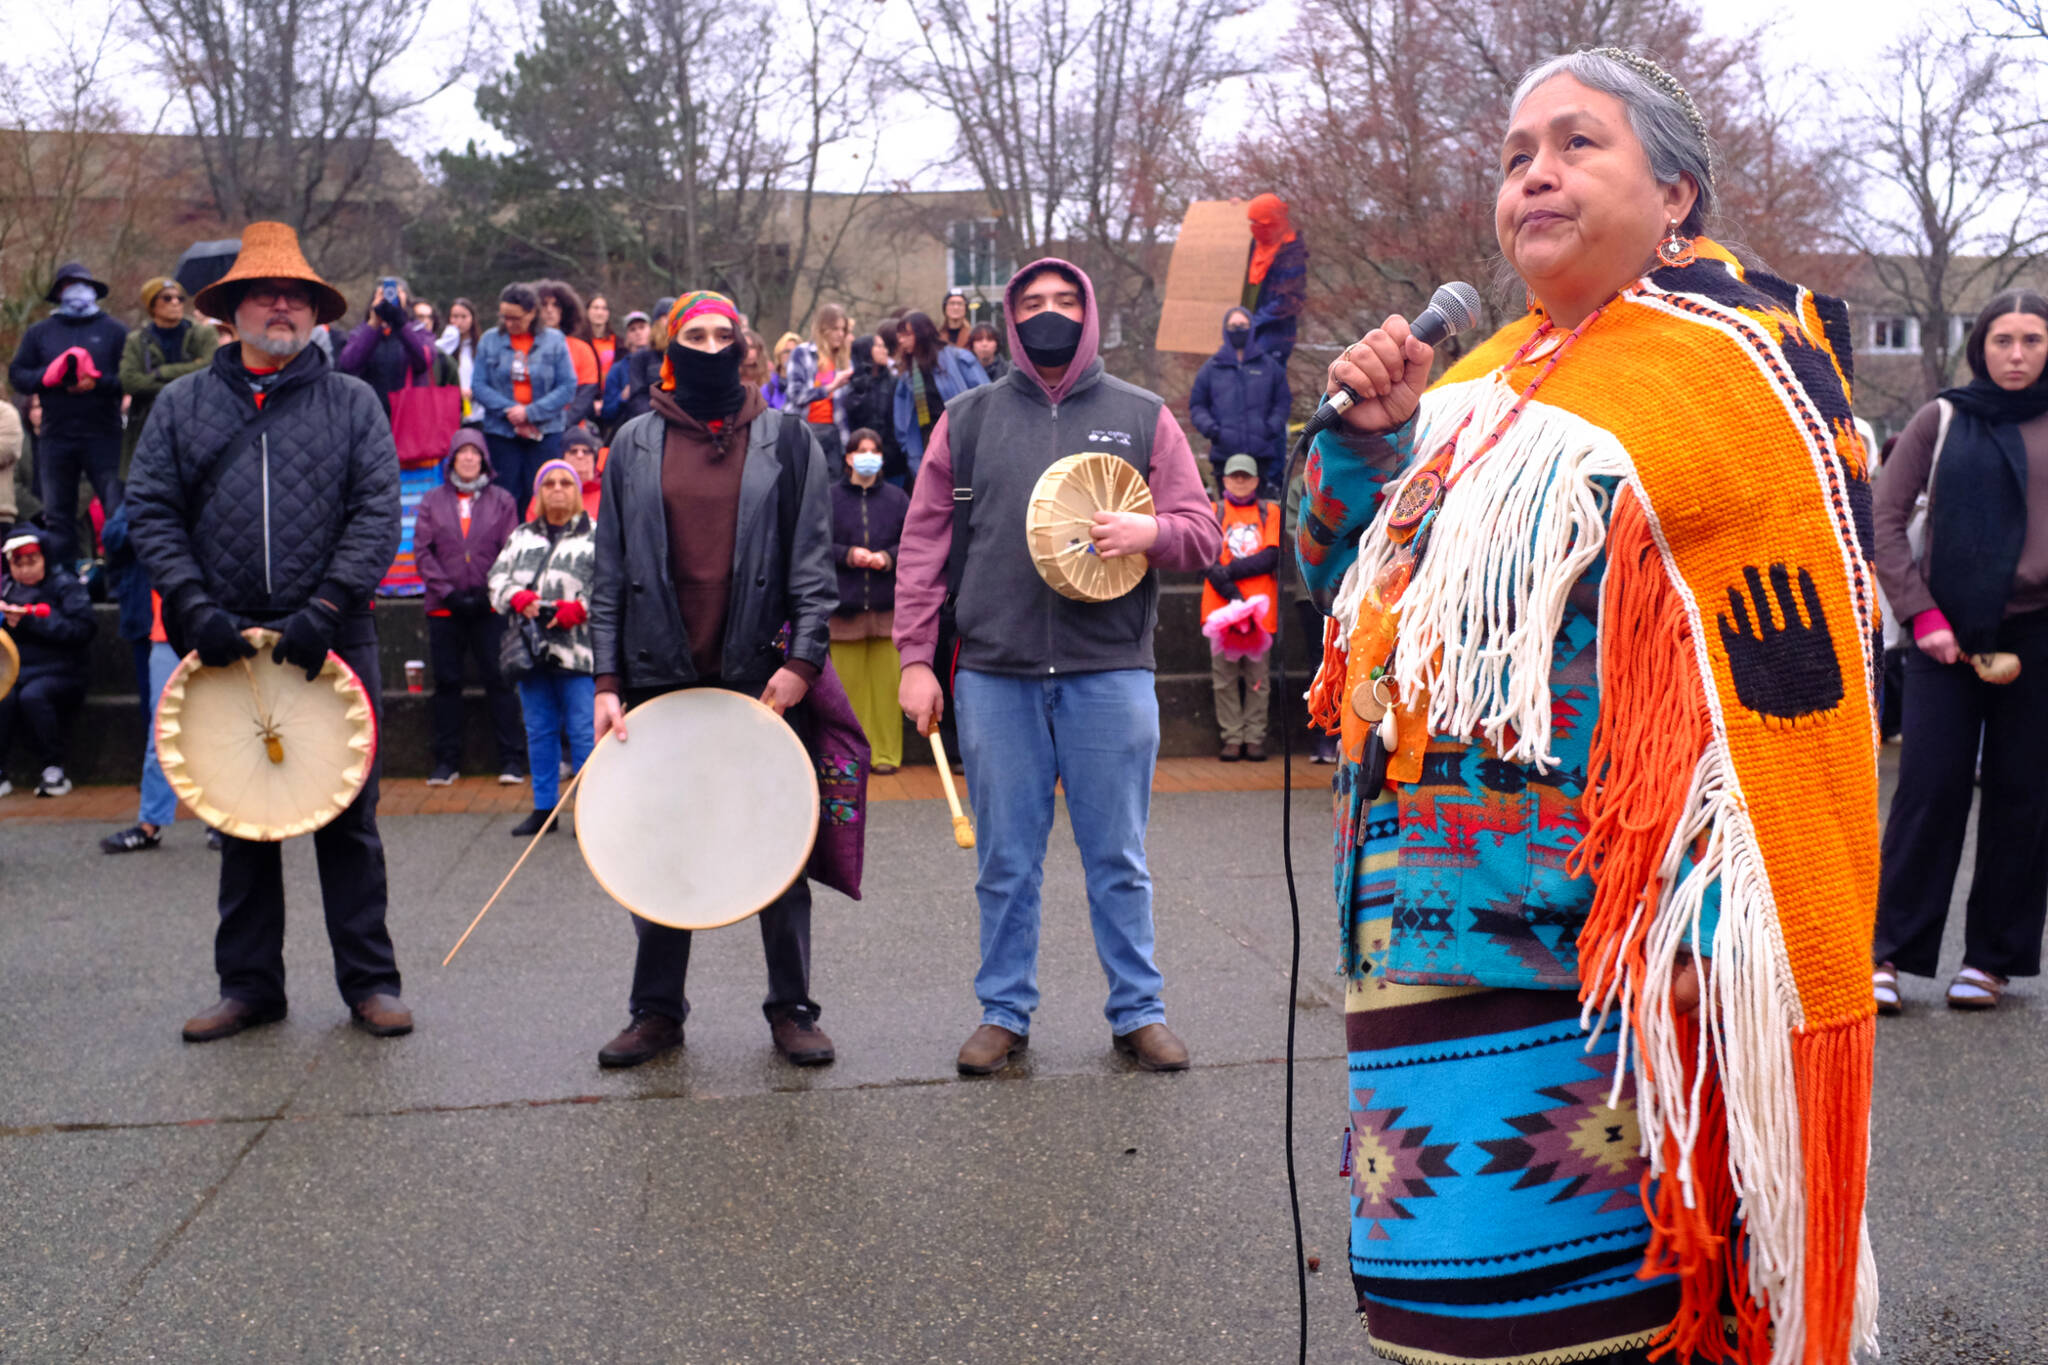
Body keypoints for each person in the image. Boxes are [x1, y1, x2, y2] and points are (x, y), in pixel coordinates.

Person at [1295, 49, 1880, 1364]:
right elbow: (1338, 591)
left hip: (1595, 953)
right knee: (1432, 1316)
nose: (1535, 175)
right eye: (1515, 157)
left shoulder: (1737, 377)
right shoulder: (1482, 388)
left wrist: (1723, 923)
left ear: (1675, 193)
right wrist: (1363, 440)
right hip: (1409, 931)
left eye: (1576, 145)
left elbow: (1777, 680)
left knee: (1597, 1322)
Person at [894, 258, 1221, 1077]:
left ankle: (1138, 1010)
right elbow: (924, 547)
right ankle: (1004, 1011)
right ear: (1008, 316)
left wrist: (1149, 534)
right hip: (994, 673)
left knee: (1119, 854)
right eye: (1033, 303)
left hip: (1109, 668)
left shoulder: (1143, 416)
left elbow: (1202, 532)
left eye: (1065, 301)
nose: (1049, 315)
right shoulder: (966, 420)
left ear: (1091, 312)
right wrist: (915, 659)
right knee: (1005, 857)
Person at [125, 221, 411, 1044]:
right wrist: (189, 603)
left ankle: (371, 982)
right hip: (221, 637)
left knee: (349, 818)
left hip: (332, 636)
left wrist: (327, 605)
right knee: (239, 820)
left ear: (316, 311)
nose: (280, 306)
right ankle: (249, 986)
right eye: (264, 293)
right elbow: (152, 510)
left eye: (295, 295)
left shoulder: (353, 402)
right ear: (233, 310)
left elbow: (375, 512)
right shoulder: (181, 404)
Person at [588, 289, 840, 1071]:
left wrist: (802, 661)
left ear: (743, 345)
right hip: (661, 674)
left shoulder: (789, 439)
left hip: (761, 675)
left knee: (780, 840)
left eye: (720, 334)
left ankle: (792, 1005)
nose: (707, 345)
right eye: (692, 334)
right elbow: (608, 572)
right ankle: (656, 1009)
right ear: (670, 344)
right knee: (663, 842)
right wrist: (605, 677)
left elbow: (813, 565)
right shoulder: (630, 441)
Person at [1872, 289, 2048, 1014]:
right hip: (1944, 633)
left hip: (2039, 635)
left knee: (2023, 797)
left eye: (2032, 340)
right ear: (1980, 346)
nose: (2017, 354)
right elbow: (1882, 517)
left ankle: (1991, 962)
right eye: (2003, 339)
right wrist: (1922, 615)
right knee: (1930, 789)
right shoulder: (1941, 418)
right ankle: (1887, 954)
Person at [489, 458, 597, 837]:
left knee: (585, 732)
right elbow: (496, 579)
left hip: (579, 653)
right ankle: (544, 809)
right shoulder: (520, 536)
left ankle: (589, 811)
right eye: (548, 483)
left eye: (565, 483)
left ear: (577, 491)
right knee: (539, 730)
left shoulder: (596, 535)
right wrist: (517, 596)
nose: (556, 489)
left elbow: (614, 588)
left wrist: (580, 608)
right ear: (538, 493)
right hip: (531, 653)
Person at [413, 428, 526, 788]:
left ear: (484, 459)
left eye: (474, 453)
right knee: (447, 683)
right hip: (445, 609)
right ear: (452, 459)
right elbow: (422, 552)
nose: (468, 458)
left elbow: (512, 549)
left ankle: (511, 759)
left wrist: (486, 591)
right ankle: (446, 760)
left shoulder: (503, 500)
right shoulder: (432, 500)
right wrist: (448, 593)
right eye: (462, 452)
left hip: (488, 607)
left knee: (499, 681)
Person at [7, 261, 129, 564]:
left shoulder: (114, 330)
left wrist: (98, 382)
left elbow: (132, 378)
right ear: (59, 291)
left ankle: (117, 588)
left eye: (83, 284)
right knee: (58, 515)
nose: (77, 290)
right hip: (56, 436)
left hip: (105, 434)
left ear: (93, 290)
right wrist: (50, 378)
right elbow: (18, 374)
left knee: (117, 511)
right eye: (70, 284)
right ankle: (65, 587)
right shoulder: (40, 333)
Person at [830, 428, 910, 773]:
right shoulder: (829, 497)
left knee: (888, 692)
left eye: (874, 450)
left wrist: (887, 558)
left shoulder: (896, 498)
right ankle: (852, 756)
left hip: (886, 610)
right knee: (848, 693)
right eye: (860, 450)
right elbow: (816, 543)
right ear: (848, 458)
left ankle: (886, 756)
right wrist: (849, 554)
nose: (868, 455)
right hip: (844, 613)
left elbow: (912, 541)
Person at [0, 528, 95, 797]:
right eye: (18, 565)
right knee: (2, 697)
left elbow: (82, 630)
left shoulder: (66, 586)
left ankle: (53, 768)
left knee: (33, 696)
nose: (26, 571)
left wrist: (31, 620)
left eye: (32, 563)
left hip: (64, 669)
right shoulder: (6, 588)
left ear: (45, 559)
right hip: (17, 670)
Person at [1202, 455, 1280, 761]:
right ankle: (1232, 737)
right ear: (1224, 480)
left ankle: (1254, 736)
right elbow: (1205, 558)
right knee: (1224, 678)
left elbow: (1270, 556)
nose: (1240, 481)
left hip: (1260, 612)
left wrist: (1230, 571)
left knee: (1258, 679)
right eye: (1234, 476)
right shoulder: (1212, 512)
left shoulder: (1269, 511)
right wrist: (1230, 591)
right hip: (1220, 611)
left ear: (1256, 481)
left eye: (1246, 477)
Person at [473, 283, 579, 505]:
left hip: (545, 431)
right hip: (501, 433)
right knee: (505, 495)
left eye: (515, 318)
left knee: (543, 492)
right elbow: (479, 385)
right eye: (504, 317)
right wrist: (509, 411)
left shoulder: (554, 341)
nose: (508, 323)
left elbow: (567, 385)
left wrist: (530, 412)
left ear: (532, 313)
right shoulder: (489, 340)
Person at [119, 278, 219, 482]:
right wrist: (188, 377)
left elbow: (211, 367)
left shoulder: (203, 333)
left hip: (197, 419)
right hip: (148, 422)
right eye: (167, 298)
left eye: (180, 298)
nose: (176, 303)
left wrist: (161, 372)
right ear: (152, 305)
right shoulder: (138, 340)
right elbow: (129, 381)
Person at [1188, 305, 1289, 493]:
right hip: (1224, 454)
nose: (1238, 330)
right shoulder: (1211, 368)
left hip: (1261, 455)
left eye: (1242, 325)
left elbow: (1282, 402)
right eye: (1233, 326)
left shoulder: (1269, 367)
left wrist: (1269, 428)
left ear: (1251, 328)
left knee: (1262, 513)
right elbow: (1197, 405)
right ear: (1225, 329)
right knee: (1227, 515)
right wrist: (1212, 430)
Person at [892, 309, 989, 483]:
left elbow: (987, 399)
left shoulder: (959, 359)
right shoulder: (908, 375)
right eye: (899, 335)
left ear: (922, 333)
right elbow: (904, 424)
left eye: (906, 335)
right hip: (927, 446)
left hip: (961, 441)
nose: (901, 340)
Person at [336, 275, 434, 422]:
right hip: (370, 417)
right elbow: (348, 365)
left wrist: (401, 323)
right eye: (383, 294)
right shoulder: (363, 332)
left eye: (396, 293)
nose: (389, 298)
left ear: (407, 300)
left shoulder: (418, 331)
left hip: (408, 419)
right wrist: (374, 324)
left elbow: (424, 362)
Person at [783, 303, 854, 463]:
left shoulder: (845, 360)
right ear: (822, 329)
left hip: (836, 432)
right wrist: (831, 386)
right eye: (835, 329)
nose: (840, 334)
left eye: (843, 329)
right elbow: (796, 396)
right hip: (805, 429)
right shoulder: (802, 353)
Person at [1244, 193, 1306, 366]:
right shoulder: (1257, 246)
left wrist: (1252, 322)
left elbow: (1287, 301)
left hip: (1275, 334)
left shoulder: (1291, 254)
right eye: (1252, 223)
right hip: (1251, 330)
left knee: (1262, 381)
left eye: (1260, 224)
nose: (1254, 228)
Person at [841, 333, 907, 486]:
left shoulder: (895, 383)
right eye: (879, 346)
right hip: (858, 462)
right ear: (866, 350)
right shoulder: (851, 385)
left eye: (884, 346)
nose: (884, 351)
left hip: (893, 464)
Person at [535, 281, 603, 430]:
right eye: (544, 305)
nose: (549, 310)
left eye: (556, 305)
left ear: (565, 310)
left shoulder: (581, 349)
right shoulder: (524, 348)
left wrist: (562, 425)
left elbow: (585, 397)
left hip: (571, 430)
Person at [600, 310, 658, 435]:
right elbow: (606, 412)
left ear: (651, 330)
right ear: (627, 336)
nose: (638, 332)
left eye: (642, 327)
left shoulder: (662, 361)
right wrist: (622, 397)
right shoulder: (618, 369)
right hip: (629, 432)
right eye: (632, 329)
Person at [437, 297, 482, 412]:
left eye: (464, 317)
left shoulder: (480, 347)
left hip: (475, 407)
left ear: (472, 319)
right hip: (449, 405)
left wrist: (473, 391)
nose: (459, 321)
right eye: (455, 317)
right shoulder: (445, 345)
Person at [556, 425, 605, 519]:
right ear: (563, 459)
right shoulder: (548, 490)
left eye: (586, 451)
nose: (580, 456)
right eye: (573, 451)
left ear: (594, 459)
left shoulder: (607, 493)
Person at [762, 331, 803, 410]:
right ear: (778, 355)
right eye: (787, 351)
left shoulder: (807, 385)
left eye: (796, 351)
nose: (792, 355)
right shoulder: (768, 387)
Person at [586, 293, 620, 376]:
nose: (600, 312)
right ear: (587, 311)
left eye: (604, 308)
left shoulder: (619, 344)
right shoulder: (580, 342)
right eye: (595, 308)